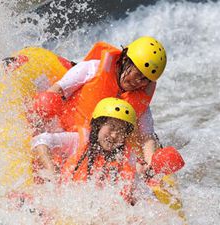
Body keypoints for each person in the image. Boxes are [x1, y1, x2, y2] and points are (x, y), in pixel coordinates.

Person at [33, 36, 167, 173]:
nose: (138, 81)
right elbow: (56, 90)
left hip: (102, 144)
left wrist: (150, 163)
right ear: (126, 60)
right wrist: (38, 123)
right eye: (137, 73)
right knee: (47, 106)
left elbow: (147, 137)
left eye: (145, 79)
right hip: (69, 133)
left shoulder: (140, 101)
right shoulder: (93, 69)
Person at [32, 98, 139, 204]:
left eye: (121, 131)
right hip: (64, 199)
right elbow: (41, 140)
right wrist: (51, 172)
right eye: (111, 127)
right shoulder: (78, 141)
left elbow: (137, 190)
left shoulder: (127, 157)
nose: (114, 135)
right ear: (98, 125)